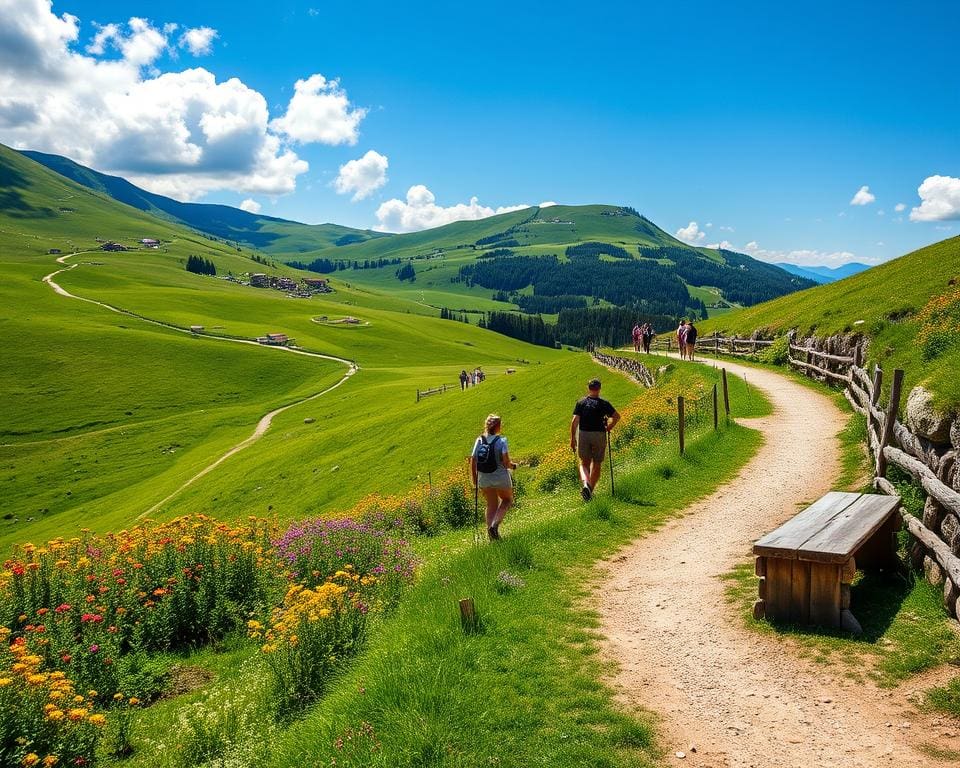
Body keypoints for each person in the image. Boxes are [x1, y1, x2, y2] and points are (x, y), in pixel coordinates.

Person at [570, 378, 620, 501]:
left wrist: (572, 438)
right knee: (597, 463)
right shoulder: (604, 403)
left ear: (589, 388)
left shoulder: (581, 402)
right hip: (599, 434)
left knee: (584, 464)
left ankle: (586, 484)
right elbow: (616, 417)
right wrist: (609, 428)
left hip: (584, 434)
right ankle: (590, 491)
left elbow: (574, 421)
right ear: (599, 389)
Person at [470, 413, 517, 540]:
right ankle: (494, 526)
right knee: (507, 500)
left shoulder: (479, 440)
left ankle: (492, 537)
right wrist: (514, 466)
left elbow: (473, 460)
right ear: (498, 426)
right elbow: (506, 463)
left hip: (484, 479)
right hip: (500, 477)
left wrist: (474, 480)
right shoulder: (501, 441)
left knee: (491, 505)